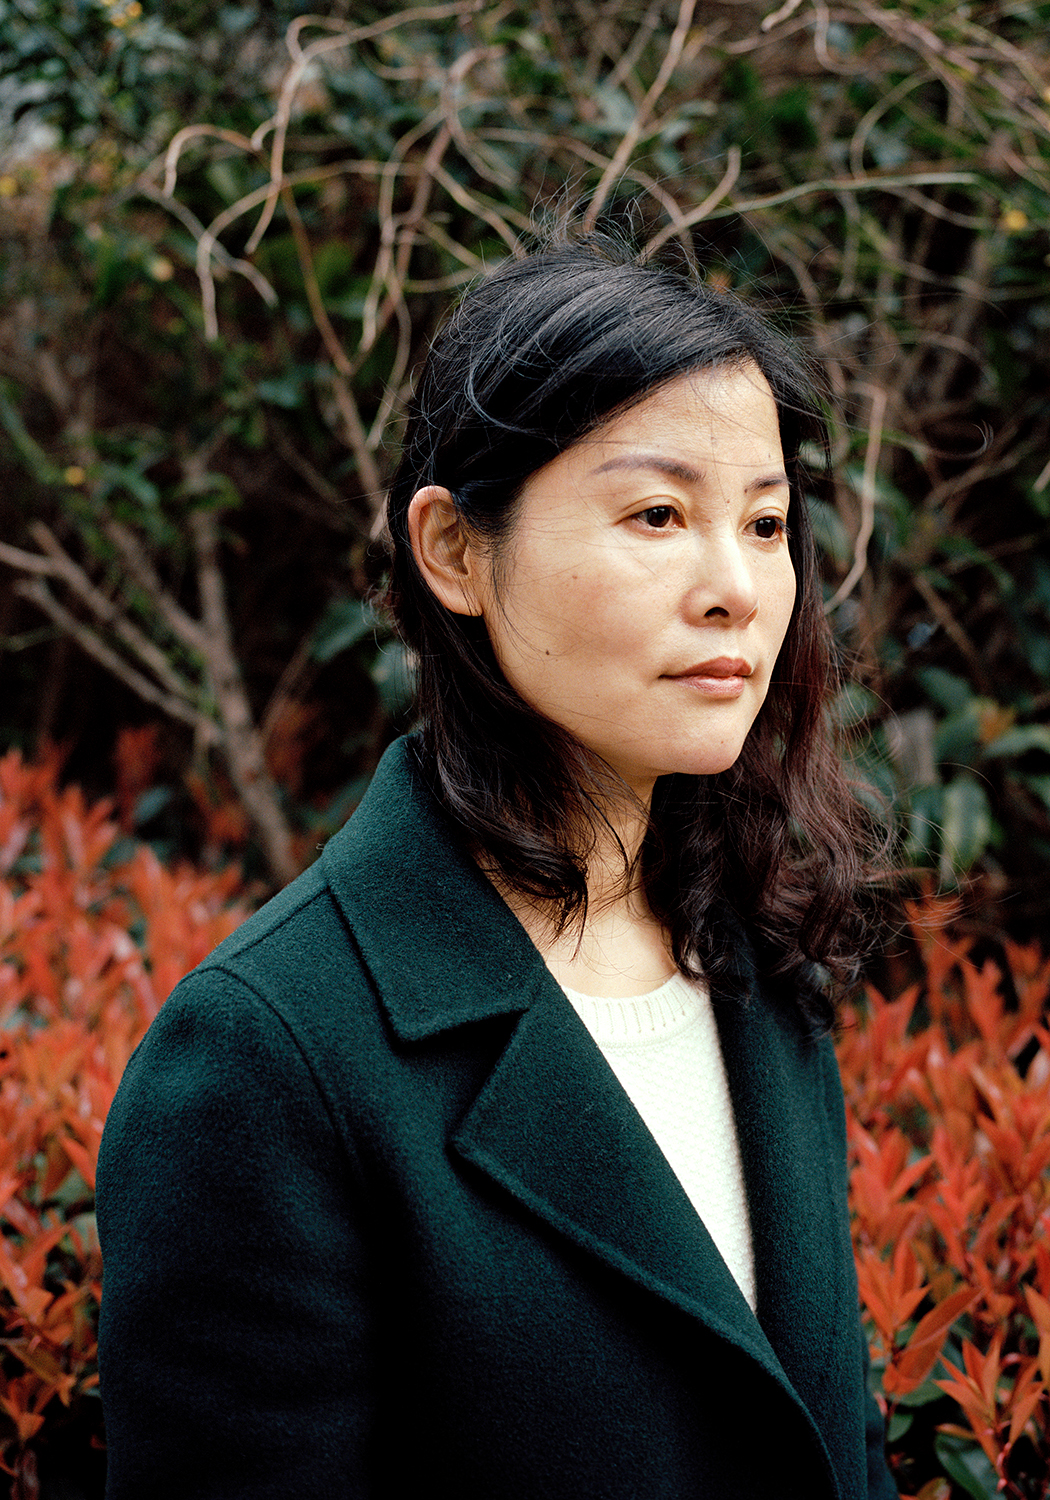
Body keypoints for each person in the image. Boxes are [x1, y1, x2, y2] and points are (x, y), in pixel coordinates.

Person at [96, 237, 897, 1499]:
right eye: (658, 515)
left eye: (764, 522)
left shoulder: (752, 956)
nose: (737, 587)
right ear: (456, 552)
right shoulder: (269, 1057)